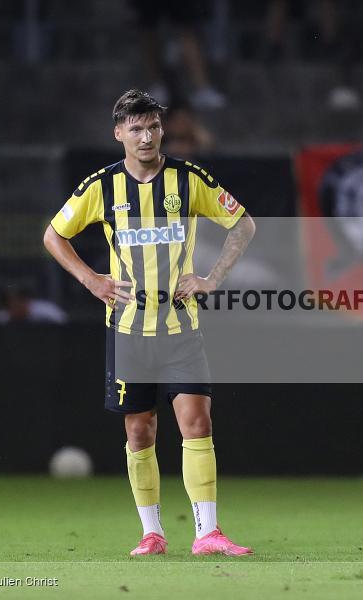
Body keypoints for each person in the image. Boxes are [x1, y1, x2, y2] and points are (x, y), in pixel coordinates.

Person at [43, 90, 256, 556]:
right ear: (119, 133)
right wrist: (90, 279)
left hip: (181, 326)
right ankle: (153, 532)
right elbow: (54, 234)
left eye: (154, 127)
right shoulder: (101, 187)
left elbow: (243, 224)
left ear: (163, 131)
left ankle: (207, 533)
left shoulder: (189, 179)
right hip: (128, 331)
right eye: (136, 128)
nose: (146, 136)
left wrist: (212, 277)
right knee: (140, 432)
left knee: (197, 422)